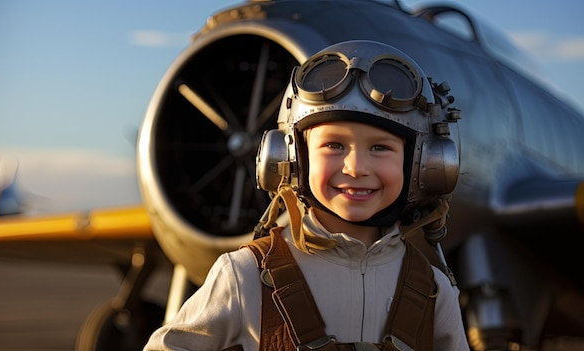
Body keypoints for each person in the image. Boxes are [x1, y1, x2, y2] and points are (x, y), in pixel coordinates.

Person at [143, 40, 469, 351]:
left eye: (380, 148)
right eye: (333, 145)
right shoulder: (244, 274)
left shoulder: (432, 290)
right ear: (292, 157)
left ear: (422, 164)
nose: (356, 168)